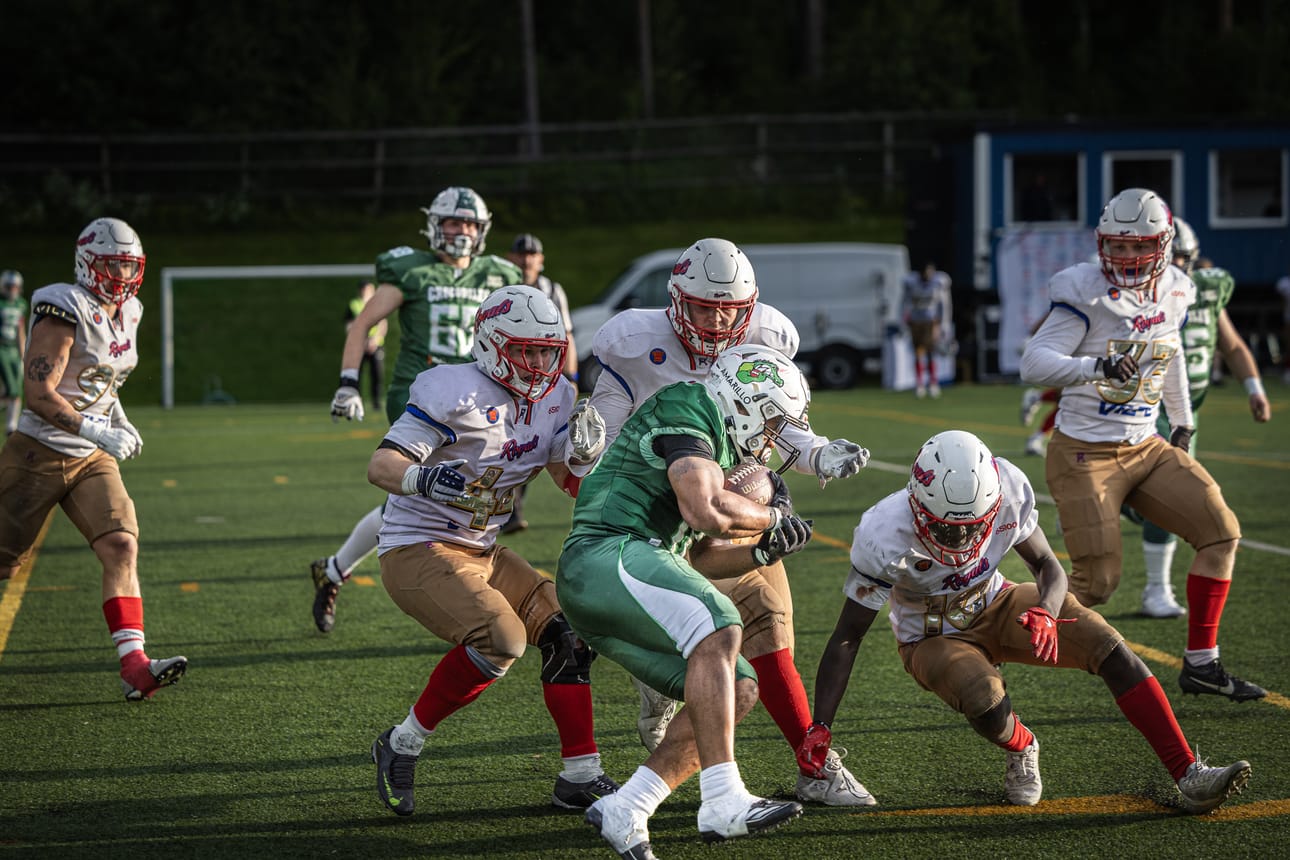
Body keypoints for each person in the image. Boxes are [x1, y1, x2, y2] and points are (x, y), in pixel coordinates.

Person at [803, 430, 1252, 813]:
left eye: (971, 526)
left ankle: (1188, 772)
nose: (960, 538)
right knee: (984, 698)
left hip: (998, 600)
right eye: (946, 528)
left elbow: (1047, 567)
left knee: (1107, 645)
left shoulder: (1009, 490)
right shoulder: (883, 534)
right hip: (931, 633)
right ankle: (1022, 745)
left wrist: (1047, 611)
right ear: (916, 505)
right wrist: (821, 725)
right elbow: (848, 637)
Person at [578, 237, 875, 808]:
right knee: (711, 646)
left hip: (734, 502)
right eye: (703, 307)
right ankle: (673, 722)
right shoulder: (634, 344)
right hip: (658, 518)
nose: (717, 322)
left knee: (768, 624)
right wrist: (582, 450)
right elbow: (603, 448)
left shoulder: (768, 335)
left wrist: (817, 454)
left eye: (730, 310)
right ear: (675, 300)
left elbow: (776, 421)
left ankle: (812, 767)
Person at [365, 285, 617, 817]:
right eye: (527, 350)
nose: (539, 364)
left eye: (547, 351)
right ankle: (402, 742)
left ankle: (579, 776)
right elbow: (382, 465)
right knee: (502, 639)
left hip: (483, 548)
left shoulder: (556, 396)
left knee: (568, 636)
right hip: (418, 545)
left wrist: (586, 458)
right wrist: (422, 477)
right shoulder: (454, 389)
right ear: (491, 344)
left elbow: (568, 483)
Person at [559, 345, 812, 857]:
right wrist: (773, 518)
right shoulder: (688, 406)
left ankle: (629, 806)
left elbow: (698, 557)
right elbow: (705, 509)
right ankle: (722, 800)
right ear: (746, 403)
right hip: (605, 554)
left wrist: (762, 551)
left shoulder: (713, 447)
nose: (771, 439)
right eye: (771, 423)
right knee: (720, 622)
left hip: (626, 571)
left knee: (737, 686)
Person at [1020, 187, 1265, 701]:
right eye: (1118, 246)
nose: (1128, 256)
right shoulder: (1085, 291)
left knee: (1221, 532)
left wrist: (1183, 422)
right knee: (1096, 583)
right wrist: (1096, 366)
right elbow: (1034, 363)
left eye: (1139, 246)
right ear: (1102, 244)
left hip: (1145, 446)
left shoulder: (1176, 288)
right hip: (1085, 452)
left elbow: (1169, 355)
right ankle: (994, 618)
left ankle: (1201, 663)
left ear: (1164, 245)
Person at [312, 187, 522, 633]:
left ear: (482, 230)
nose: (461, 231)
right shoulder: (413, 270)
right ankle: (466, 595)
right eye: (453, 222)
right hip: (420, 398)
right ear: (434, 225)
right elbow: (364, 323)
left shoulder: (497, 274)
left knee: (420, 500)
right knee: (434, 496)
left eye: (470, 224)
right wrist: (348, 382)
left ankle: (333, 570)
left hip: (476, 400)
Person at [0, 218, 187, 701]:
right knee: (3, 564)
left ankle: (135, 666)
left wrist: (117, 419)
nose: (122, 276)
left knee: (121, 544)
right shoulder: (64, 308)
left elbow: (105, 379)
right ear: (87, 263)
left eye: (128, 266)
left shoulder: (131, 311)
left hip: (90, 457)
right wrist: (95, 429)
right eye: (113, 265)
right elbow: (39, 393)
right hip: (38, 451)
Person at [1135, 218, 1272, 618]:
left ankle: (1112, 505)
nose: (1175, 265)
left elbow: (1232, 345)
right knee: (1173, 489)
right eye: (1167, 257)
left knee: (1158, 493)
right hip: (1147, 407)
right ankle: (1156, 589)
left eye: (1180, 257)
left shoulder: (1206, 291)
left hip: (1188, 410)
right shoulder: (1137, 297)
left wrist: (1254, 388)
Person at [499, 233, 577, 534]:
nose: (526, 259)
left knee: (534, 440)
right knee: (506, 437)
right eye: (521, 254)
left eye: (532, 254)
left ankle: (511, 507)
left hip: (541, 372)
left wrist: (570, 376)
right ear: (511, 258)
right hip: (507, 373)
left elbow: (566, 334)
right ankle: (507, 506)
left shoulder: (552, 290)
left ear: (541, 259)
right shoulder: (501, 288)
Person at [901, 261, 952, 398]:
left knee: (931, 352)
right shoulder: (912, 283)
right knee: (918, 352)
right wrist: (903, 321)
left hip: (931, 322)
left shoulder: (938, 283)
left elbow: (944, 305)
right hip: (916, 322)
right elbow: (904, 303)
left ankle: (933, 382)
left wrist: (944, 324)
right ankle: (919, 383)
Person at [345, 280, 387, 412]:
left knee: (377, 375)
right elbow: (349, 325)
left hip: (375, 345)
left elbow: (383, 324)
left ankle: (376, 402)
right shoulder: (354, 304)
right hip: (360, 345)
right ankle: (355, 400)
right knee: (356, 373)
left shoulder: (378, 304)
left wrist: (375, 340)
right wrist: (361, 341)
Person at [1, 270, 27, 435]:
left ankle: (12, 426)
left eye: (15, 287)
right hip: (2, 347)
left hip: (14, 349)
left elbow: (20, 330)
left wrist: (24, 353)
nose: (12, 290)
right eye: (9, 286)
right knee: (11, 389)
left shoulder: (21, 305)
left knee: (16, 388)